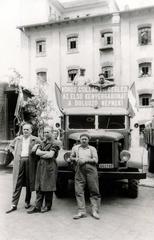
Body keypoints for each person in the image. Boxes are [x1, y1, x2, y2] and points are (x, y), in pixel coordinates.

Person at [6, 123, 41, 214]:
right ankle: (14, 204)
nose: (25, 131)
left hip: (30, 162)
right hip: (20, 161)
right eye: (24, 129)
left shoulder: (35, 139)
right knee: (18, 182)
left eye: (27, 129)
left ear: (31, 131)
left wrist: (37, 146)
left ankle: (27, 202)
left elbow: (42, 145)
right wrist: (14, 153)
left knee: (29, 182)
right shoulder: (18, 139)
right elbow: (10, 146)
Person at [27, 126, 60, 214]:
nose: (46, 134)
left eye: (48, 132)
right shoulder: (42, 143)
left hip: (50, 166)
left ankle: (47, 206)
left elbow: (50, 155)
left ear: (52, 132)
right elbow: (37, 153)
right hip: (41, 166)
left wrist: (42, 154)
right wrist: (45, 153)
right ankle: (37, 206)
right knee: (39, 186)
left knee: (48, 185)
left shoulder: (55, 143)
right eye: (45, 132)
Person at [70, 133, 101, 220]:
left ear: (88, 140)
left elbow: (96, 160)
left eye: (85, 139)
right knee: (79, 190)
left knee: (94, 189)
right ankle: (81, 211)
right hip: (79, 170)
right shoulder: (75, 148)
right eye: (82, 139)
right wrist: (75, 159)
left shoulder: (92, 148)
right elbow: (71, 157)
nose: (84, 140)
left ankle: (95, 211)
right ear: (79, 140)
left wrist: (85, 160)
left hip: (91, 169)